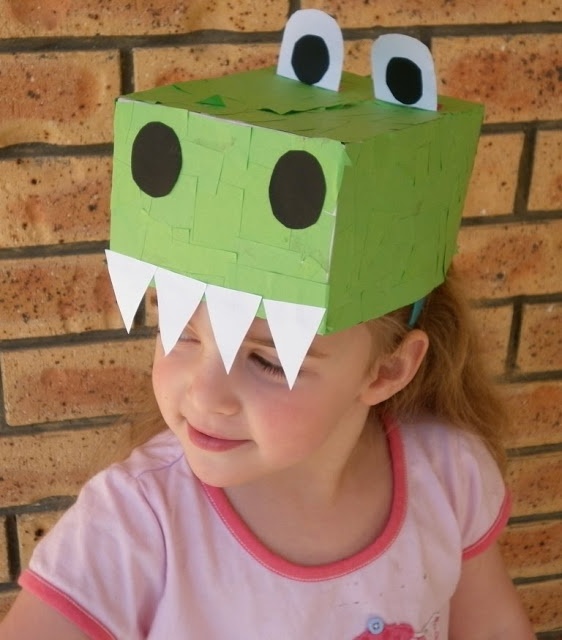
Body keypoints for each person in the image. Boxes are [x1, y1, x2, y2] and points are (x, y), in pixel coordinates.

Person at [0, 10, 536, 639]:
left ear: (387, 369)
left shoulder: (448, 475)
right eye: (179, 332)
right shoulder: (133, 526)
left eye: (267, 360)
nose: (205, 394)